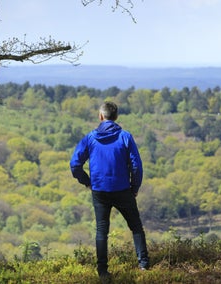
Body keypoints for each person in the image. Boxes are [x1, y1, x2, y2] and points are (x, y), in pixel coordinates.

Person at [70, 101, 149, 282]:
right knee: (136, 227)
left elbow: (75, 164)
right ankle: (143, 265)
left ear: (100, 116)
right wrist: (134, 187)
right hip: (123, 189)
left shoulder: (90, 138)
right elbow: (136, 166)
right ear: (116, 117)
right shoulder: (125, 137)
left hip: (99, 191)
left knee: (101, 231)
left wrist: (87, 182)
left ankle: (102, 271)